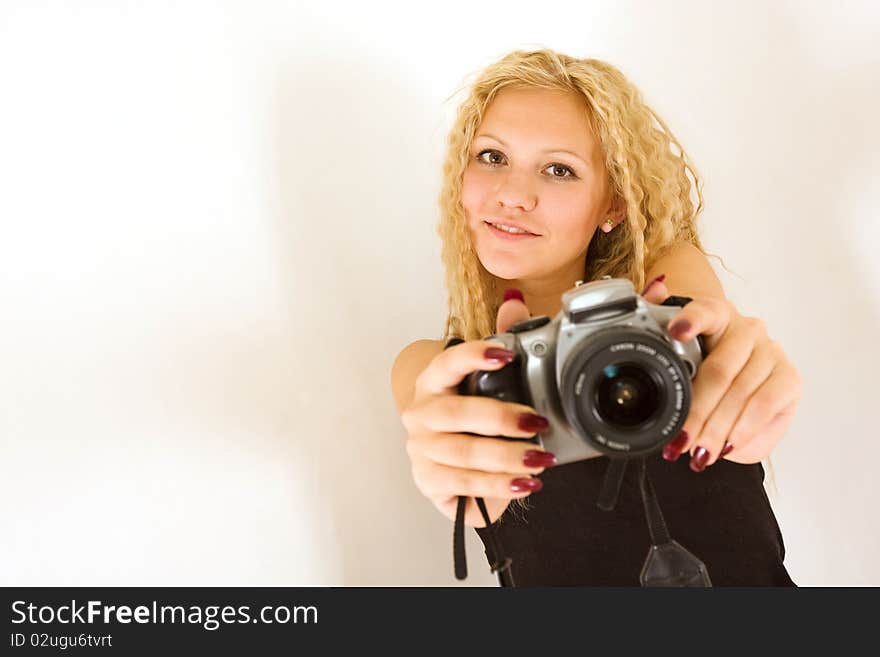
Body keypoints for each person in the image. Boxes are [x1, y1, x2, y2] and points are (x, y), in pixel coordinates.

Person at [390, 49, 801, 586]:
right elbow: (447, 450)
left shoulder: (666, 288)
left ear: (613, 206)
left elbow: (710, 332)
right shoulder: (441, 368)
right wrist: (453, 464)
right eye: (491, 157)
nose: (512, 195)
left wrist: (746, 381)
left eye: (559, 169)